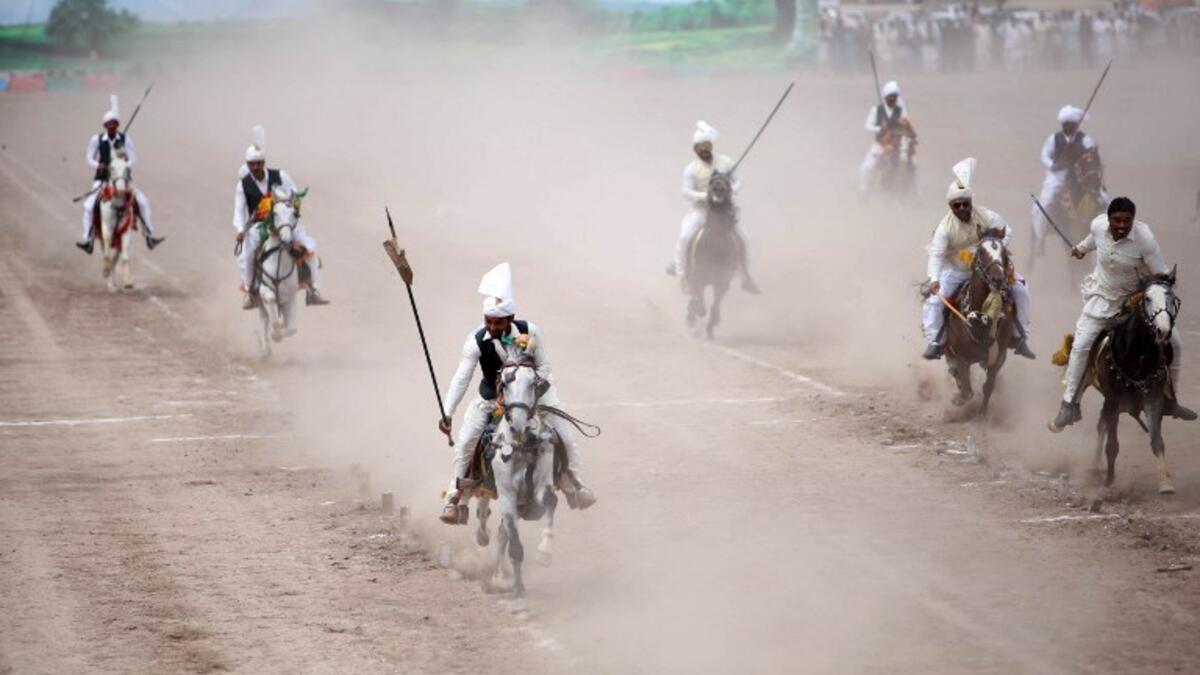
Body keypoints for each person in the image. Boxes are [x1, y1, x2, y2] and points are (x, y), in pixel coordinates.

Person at [438, 263, 595, 524]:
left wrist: (530, 391)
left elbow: (544, 366)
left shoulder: (530, 331)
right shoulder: (475, 341)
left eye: (498, 322)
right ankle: (455, 497)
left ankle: (575, 484)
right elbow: (461, 378)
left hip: (535, 394)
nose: (492, 326)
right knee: (466, 441)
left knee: (565, 435)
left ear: (510, 319)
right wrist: (448, 411)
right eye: (488, 321)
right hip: (492, 399)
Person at [1049, 197, 1196, 430]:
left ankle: (1170, 401)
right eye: (1116, 220)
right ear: (1108, 219)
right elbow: (1091, 240)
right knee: (1081, 344)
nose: (1121, 225)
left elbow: (1161, 274)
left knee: (1175, 342)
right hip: (1101, 296)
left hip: (1134, 300)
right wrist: (1080, 249)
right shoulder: (1098, 225)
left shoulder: (1145, 239)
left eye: (1127, 221)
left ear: (1133, 220)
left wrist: (1162, 292)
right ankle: (1069, 405)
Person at [922, 158, 1035, 360]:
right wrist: (934, 280)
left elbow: (1007, 231)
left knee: (1021, 288)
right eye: (957, 205)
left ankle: (1020, 336)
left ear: (971, 202)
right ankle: (935, 341)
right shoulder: (944, 228)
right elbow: (937, 255)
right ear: (951, 206)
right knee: (933, 302)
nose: (962, 208)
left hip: (990, 269)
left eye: (966, 204)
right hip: (956, 271)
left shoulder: (988, 216)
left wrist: (993, 250)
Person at [232, 125, 328, 309]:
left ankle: (314, 290)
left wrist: (293, 210)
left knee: (310, 246)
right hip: (258, 227)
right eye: (252, 164)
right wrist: (240, 230)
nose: (255, 167)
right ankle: (250, 291)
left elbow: (295, 194)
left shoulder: (280, 175)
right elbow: (238, 211)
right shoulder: (242, 185)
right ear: (248, 165)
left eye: (258, 163)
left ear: (263, 162)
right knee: (245, 255)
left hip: (284, 222)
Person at [668, 121, 759, 293]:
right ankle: (682, 275)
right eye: (699, 147)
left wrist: (731, 189)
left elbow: (739, 178)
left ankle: (746, 277)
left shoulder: (725, 162)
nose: (704, 150)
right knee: (685, 237)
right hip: (702, 211)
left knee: (744, 238)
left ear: (711, 146)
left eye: (706, 146)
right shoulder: (690, 169)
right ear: (695, 150)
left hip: (725, 212)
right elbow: (686, 191)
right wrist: (705, 195)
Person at [77, 94, 163, 254]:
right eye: (109, 124)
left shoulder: (126, 139)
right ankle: (88, 240)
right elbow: (89, 158)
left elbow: (134, 159)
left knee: (143, 201)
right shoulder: (96, 140)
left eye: (114, 124)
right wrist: (99, 165)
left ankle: (150, 236)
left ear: (117, 125)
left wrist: (122, 165)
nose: (111, 126)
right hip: (101, 180)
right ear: (105, 125)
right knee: (88, 206)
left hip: (122, 179)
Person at [1031, 105, 1106, 243]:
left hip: (1080, 177)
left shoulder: (1086, 140)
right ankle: (1039, 238)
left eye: (1070, 124)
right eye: (1065, 124)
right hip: (1057, 176)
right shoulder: (1053, 139)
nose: (1067, 127)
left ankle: (1107, 239)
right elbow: (1044, 155)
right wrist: (1053, 165)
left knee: (1105, 201)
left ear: (1076, 124)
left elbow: (1092, 158)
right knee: (1043, 205)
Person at [858, 80, 917, 195]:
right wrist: (880, 128)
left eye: (895, 97)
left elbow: (907, 127)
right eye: (890, 97)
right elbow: (867, 127)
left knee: (912, 164)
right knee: (866, 168)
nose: (893, 99)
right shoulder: (876, 110)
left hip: (897, 145)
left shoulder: (901, 111)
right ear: (885, 97)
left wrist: (901, 131)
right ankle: (864, 191)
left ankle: (913, 193)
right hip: (880, 145)